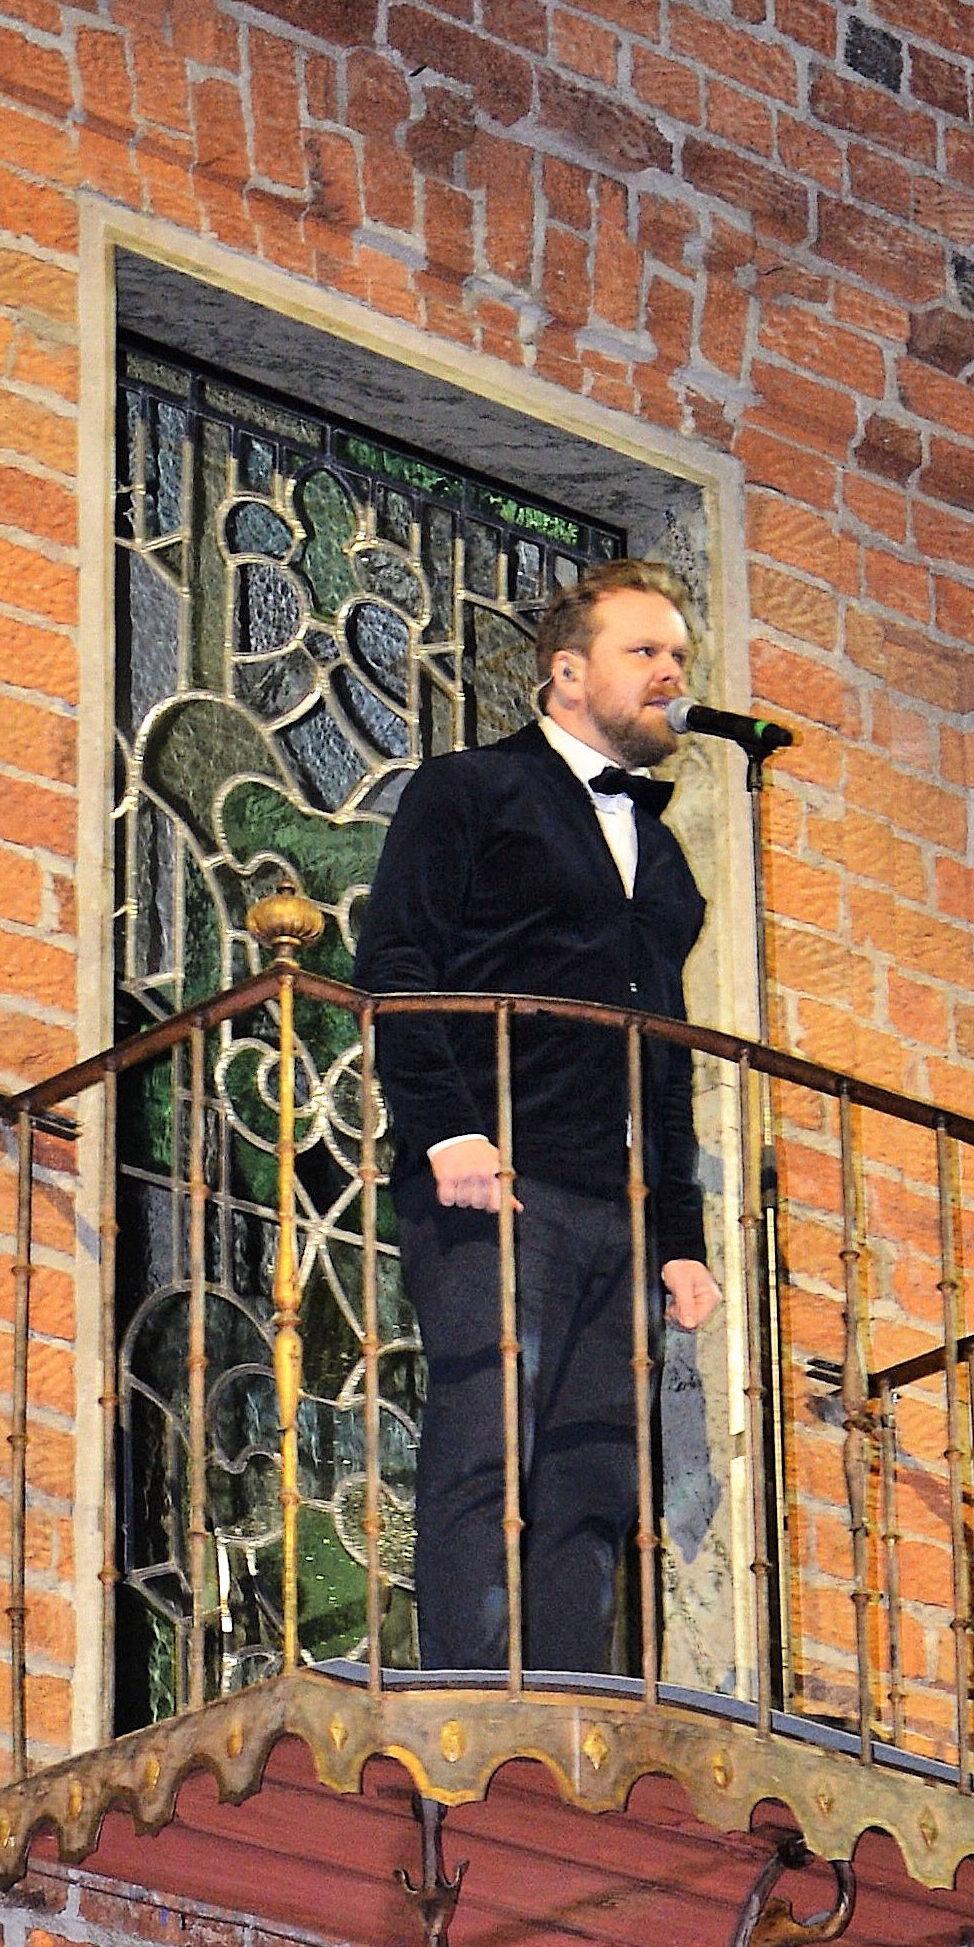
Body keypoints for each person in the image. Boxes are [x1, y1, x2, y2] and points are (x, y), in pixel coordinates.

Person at [353, 559, 724, 1676]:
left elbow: (664, 1050)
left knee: (595, 1470)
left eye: (678, 656)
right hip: (494, 1169)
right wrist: (446, 1129)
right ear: (566, 674)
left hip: (618, 1194)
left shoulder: (661, 854)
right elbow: (397, 966)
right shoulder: (473, 789)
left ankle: (568, 1705)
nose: (670, 675)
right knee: (489, 1435)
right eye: (643, 652)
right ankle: (468, 1693)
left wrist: (680, 1236)